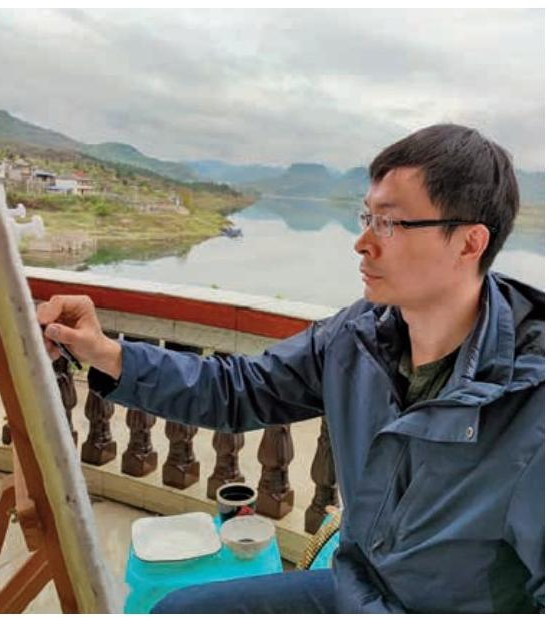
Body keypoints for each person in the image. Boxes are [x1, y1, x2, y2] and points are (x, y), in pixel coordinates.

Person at [37, 124, 544, 613]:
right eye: (365, 217)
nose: (363, 242)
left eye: (389, 223)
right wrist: (108, 354)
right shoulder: (359, 337)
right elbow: (239, 389)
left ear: (469, 243)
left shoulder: (530, 406)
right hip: (353, 592)